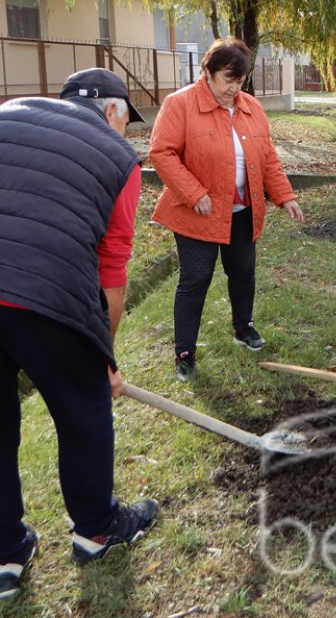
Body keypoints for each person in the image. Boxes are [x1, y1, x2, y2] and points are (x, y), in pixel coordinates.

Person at [0, 68, 159, 599]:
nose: (127, 132)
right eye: (127, 121)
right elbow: (110, 271)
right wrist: (103, 358)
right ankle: (96, 529)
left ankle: (5, 553)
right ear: (113, 111)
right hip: (46, 297)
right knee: (83, 408)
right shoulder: (119, 160)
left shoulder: (8, 113)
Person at [149, 38, 304, 381]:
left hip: (241, 209)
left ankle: (243, 327)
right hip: (196, 212)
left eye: (239, 81)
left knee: (244, 269)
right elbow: (161, 153)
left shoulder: (251, 107)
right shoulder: (180, 104)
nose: (233, 89)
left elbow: (268, 158)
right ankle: (185, 352)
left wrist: (285, 196)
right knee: (196, 278)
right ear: (207, 72)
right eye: (226, 80)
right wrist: (193, 192)